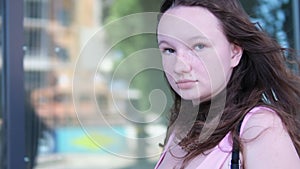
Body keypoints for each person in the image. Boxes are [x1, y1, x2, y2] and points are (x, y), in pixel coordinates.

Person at [155, 0, 300, 168]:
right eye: (169, 50)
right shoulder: (178, 130)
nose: (180, 66)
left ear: (234, 52)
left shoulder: (260, 127)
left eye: (199, 46)